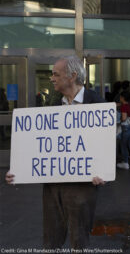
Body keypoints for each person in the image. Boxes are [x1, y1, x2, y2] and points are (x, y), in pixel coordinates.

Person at [5, 55, 106, 249]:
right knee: (51, 242)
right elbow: (39, 143)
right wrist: (19, 170)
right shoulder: (52, 105)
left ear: (72, 76)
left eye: (55, 74)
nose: (51, 78)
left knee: (80, 242)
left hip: (82, 186)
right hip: (53, 186)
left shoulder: (98, 104)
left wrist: (103, 171)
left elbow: (106, 143)